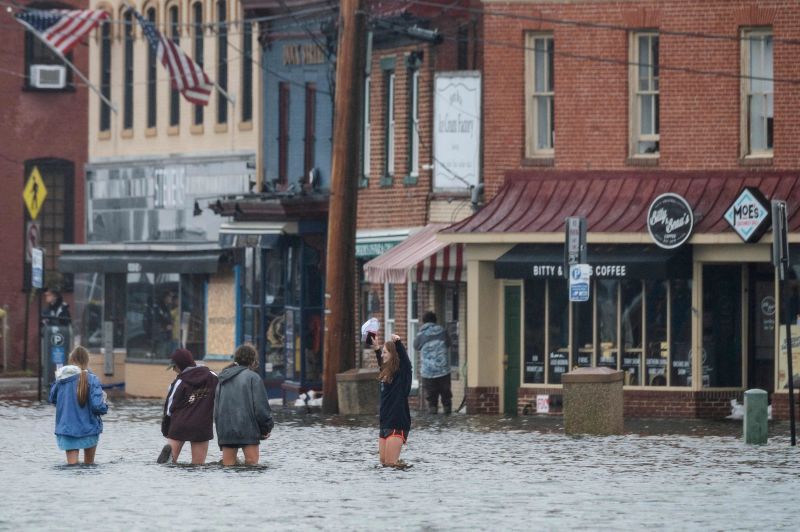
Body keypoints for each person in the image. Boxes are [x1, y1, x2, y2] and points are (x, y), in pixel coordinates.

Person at [214, 344, 274, 466]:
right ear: (253, 360)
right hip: (248, 429)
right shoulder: (254, 378)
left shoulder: (222, 378)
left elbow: (216, 409)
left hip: (226, 430)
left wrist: (221, 431)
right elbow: (261, 408)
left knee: (228, 467)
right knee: (252, 465)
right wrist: (266, 428)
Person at [48, 346, 108, 465]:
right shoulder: (92, 379)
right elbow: (97, 406)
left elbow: (52, 399)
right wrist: (105, 403)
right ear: (87, 361)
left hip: (67, 429)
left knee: (72, 467)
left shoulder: (60, 380)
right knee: (89, 467)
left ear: (71, 360)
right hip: (89, 429)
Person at [158, 348, 218, 464]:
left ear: (180, 365)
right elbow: (221, 394)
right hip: (202, 426)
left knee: (168, 465)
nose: (174, 370)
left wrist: (166, 430)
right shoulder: (212, 376)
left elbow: (169, 408)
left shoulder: (179, 382)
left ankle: (169, 459)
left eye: (174, 367)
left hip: (179, 424)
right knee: (198, 465)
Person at [371, 332, 411, 467]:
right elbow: (381, 364)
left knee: (390, 464)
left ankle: (403, 472)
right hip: (384, 424)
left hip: (397, 423)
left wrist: (399, 344)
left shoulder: (402, 376)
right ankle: (402, 465)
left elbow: (407, 365)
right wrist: (377, 349)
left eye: (385, 352)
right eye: (382, 353)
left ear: (393, 354)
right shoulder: (386, 372)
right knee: (383, 463)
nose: (382, 355)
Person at [413, 311, 453, 415]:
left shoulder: (420, 335)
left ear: (424, 322)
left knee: (431, 398)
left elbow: (416, 346)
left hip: (428, 372)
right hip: (443, 371)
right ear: (435, 321)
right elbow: (449, 344)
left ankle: (433, 416)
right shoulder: (443, 332)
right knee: (446, 395)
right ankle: (448, 414)